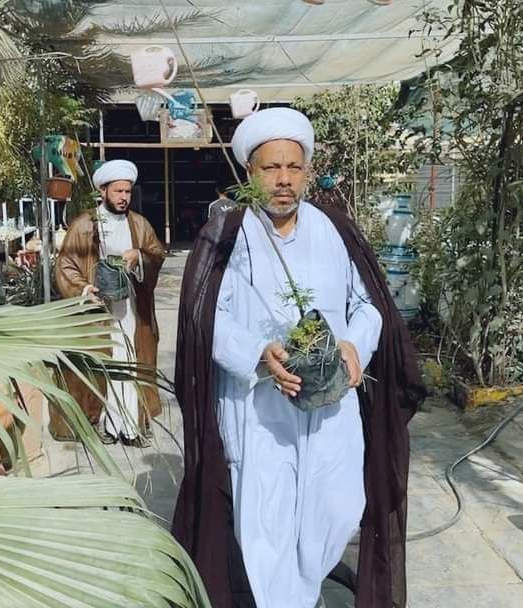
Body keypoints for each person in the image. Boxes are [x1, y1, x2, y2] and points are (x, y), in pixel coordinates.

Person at [172, 108, 426, 608]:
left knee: (336, 509)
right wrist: (257, 353)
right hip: (260, 411)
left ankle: (303, 592)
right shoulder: (226, 236)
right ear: (250, 172)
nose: (284, 179)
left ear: (308, 171)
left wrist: (354, 344)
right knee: (266, 525)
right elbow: (205, 320)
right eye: (271, 168)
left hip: (331, 405)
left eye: (294, 167)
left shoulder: (335, 230)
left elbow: (368, 305)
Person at [51, 159, 166, 447]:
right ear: (103, 191)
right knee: (105, 365)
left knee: (130, 363)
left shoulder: (139, 224)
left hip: (131, 310)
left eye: (127, 192)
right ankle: (107, 424)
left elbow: (156, 254)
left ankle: (132, 426)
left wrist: (138, 256)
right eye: (118, 192)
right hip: (97, 313)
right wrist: (84, 288)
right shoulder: (84, 225)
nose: (124, 197)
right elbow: (65, 264)